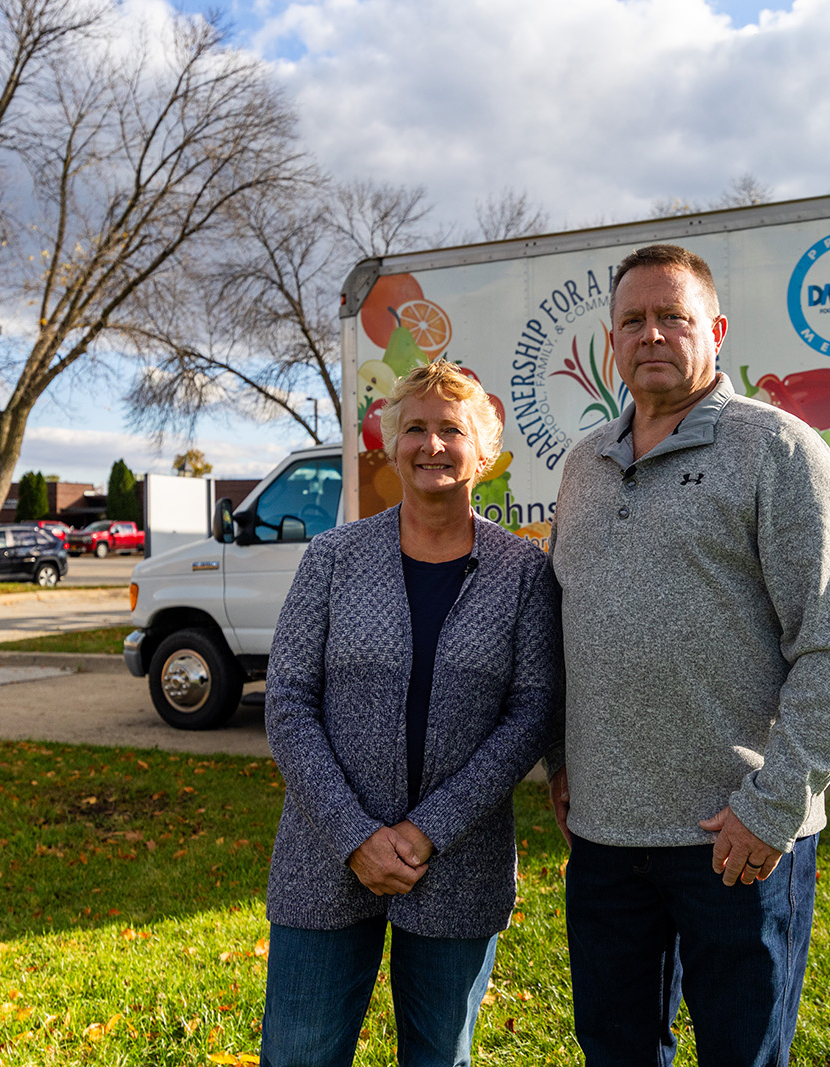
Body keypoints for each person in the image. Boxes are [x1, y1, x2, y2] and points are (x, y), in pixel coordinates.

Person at [547, 243, 830, 1064]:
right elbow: (564, 626)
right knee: (615, 1050)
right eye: (634, 319)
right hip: (606, 841)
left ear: (717, 331)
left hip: (736, 841)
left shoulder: (778, 450)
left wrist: (771, 807)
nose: (652, 334)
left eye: (673, 317)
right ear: (612, 339)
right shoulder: (581, 466)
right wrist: (561, 762)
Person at [260, 359, 560, 1067]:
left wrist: (429, 830)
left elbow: (530, 712)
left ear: (483, 452)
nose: (432, 445)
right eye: (415, 429)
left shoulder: (521, 571)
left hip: (458, 862)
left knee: (438, 1055)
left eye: (451, 430)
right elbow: (288, 700)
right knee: (299, 1054)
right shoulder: (333, 557)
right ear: (390, 446)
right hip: (324, 854)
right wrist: (355, 834)